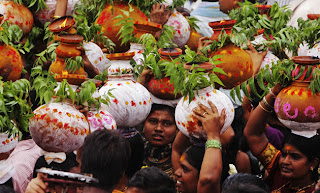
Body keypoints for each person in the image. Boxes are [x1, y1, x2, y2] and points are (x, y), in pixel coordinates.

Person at [244, 84, 320, 192]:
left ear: (313, 163)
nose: (285, 161)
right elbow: (252, 133)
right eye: (284, 154)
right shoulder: (278, 170)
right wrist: (272, 94)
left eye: (295, 157)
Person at [175, 101, 225, 193]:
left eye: (185, 169)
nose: (176, 173)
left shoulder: (208, 183)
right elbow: (176, 150)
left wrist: (213, 134)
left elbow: (208, 180)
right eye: (180, 167)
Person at [142, 104, 177, 178]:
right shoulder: (131, 153)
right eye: (153, 121)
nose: (158, 128)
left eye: (167, 124)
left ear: (177, 129)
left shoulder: (183, 159)